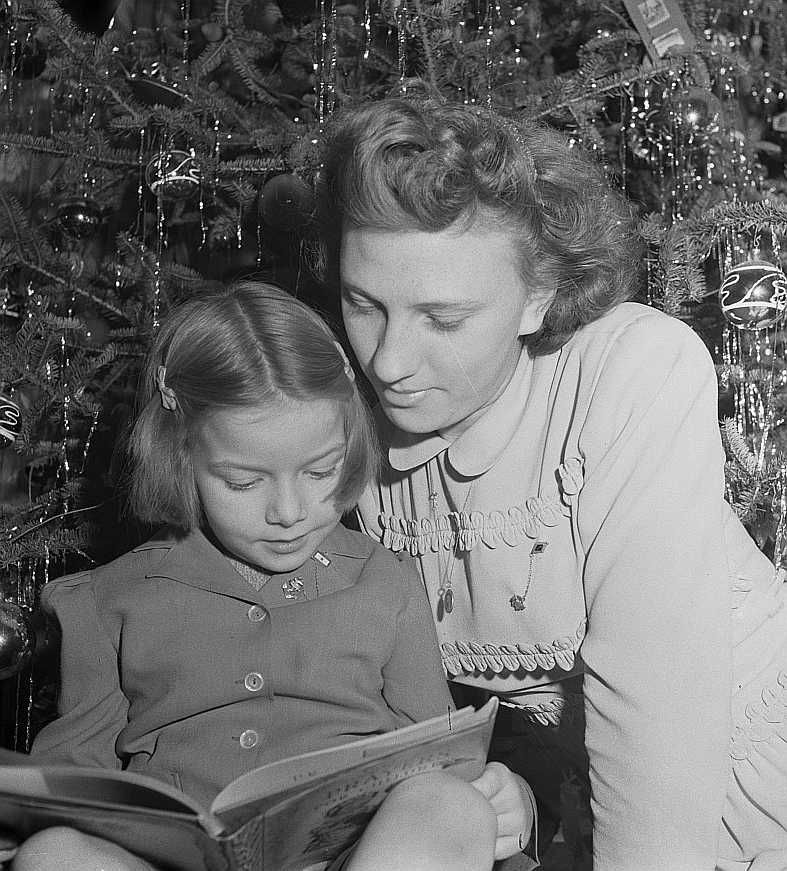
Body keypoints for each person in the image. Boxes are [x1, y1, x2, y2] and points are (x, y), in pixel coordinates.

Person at [315, 88, 787, 871]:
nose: (389, 362)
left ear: (540, 294)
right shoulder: (364, 447)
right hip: (617, 819)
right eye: (363, 304)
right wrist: (509, 796)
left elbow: (656, 700)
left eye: (442, 319)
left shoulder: (632, 366)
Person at [11, 282, 536, 871]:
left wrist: (508, 803)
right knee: (52, 854)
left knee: (447, 805)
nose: (288, 513)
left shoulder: (385, 584)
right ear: (180, 456)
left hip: (349, 859)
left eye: (321, 472)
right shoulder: (109, 602)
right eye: (243, 482)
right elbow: (75, 779)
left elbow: (446, 757)